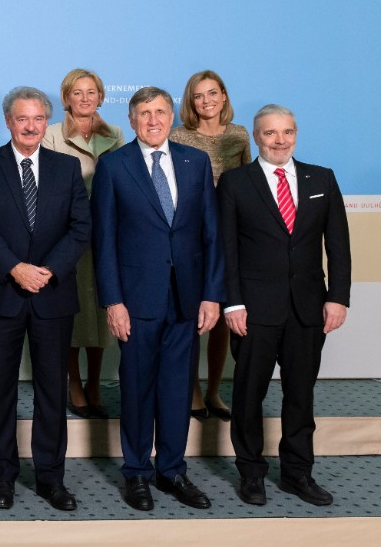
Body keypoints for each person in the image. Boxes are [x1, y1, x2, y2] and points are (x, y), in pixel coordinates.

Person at [92, 86, 224, 512]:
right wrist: (113, 301)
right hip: (135, 302)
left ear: (172, 117)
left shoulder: (195, 162)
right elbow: (104, 242)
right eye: (144, 113)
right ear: (131, 120)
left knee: (176, 389)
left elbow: (211, 235)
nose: (153, 120)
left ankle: (171, 470)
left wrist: (211, 295)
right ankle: (136, 474)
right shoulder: (113, 167)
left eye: (161, 112)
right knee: (136, 390)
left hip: (187, 299)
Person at [0, 87, 90, 511]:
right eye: (23, 119)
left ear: (47, 121)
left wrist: (48, 270)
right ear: (8, 122)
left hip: (52, 295)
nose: (31, 126)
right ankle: (3, 477)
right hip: (2, 293)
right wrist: (14, 268)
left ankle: (51, 479)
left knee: (52, 391)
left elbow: (80, 227)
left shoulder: (67, 167)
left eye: (39, 119)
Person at [221, 104, 350, 507]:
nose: (280, 141)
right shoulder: (235, 182)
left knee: (300, 395)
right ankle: (251, 473)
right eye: (271, 133)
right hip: (253, 309)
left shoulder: (322, 179)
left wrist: (338, 298)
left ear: (296, 135)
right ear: (256, 137)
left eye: (287, 132)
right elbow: (226, 250)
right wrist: (232, 304)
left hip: (308, 308)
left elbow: (339, 246)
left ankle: (298, 473)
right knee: (247, 395)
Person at [40, 68, 125, 419]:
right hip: (66, 236)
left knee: (100, 310)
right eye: (78, 92)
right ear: (66, 98)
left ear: (101, 97)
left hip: (107, 235)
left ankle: (94, 383)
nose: (85, 98)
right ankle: (73, 382)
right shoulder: (50, 135)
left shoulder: (118, 134)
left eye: (92, 92)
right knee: (73, 314)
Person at [169, 70, 254, 421]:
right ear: (190, 101)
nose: (207, 101)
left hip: (230, 235)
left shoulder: (239, 135)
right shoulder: (177, 136)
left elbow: (250, 183)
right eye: (199, 95)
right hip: (190, 235)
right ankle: (191, 392)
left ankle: (215, 390)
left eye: (213, 93)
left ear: (223, 96)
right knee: (190, 316)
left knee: (222, 317)